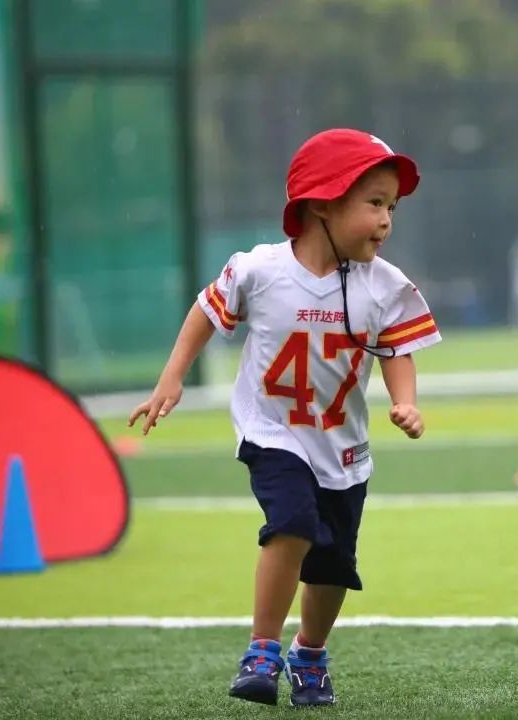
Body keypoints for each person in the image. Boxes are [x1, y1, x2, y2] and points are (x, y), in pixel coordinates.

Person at [129, 128, 441, 705]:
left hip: (342, 448)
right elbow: (205, 312)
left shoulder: (385, 286)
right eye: (374, 202)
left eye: (392, 207)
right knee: (293, 522)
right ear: (322, 202)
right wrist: (171, 376)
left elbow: (397, 347)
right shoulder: (260, 270)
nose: (387, 219)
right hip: (271, 431)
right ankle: (262, 649)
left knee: (332, 564)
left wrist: (406, 401)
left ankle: (310, 654)